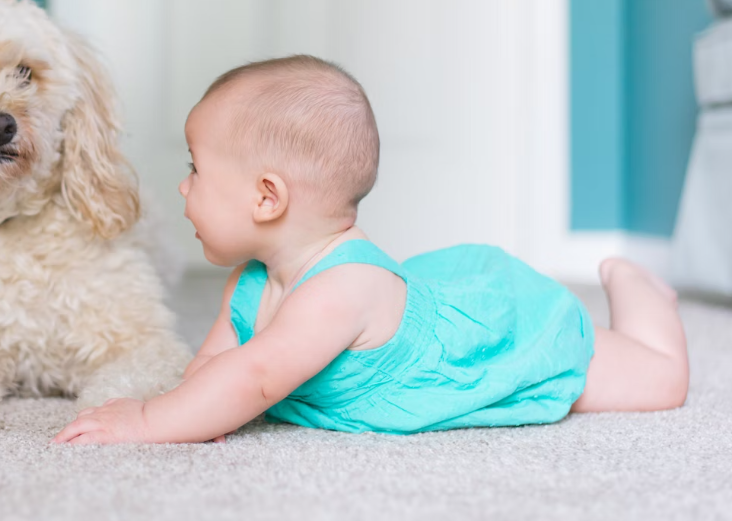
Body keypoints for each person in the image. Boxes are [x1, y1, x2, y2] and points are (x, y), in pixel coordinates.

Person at [53, 55, 690, 444]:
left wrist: (146, 423)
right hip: (419, 300)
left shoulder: (339, 291)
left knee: (660, 382)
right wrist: (188, 411)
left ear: (267, 198)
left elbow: (254, 377)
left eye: (197, 171)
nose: (183, 186)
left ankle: (636, 287)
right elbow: (216, 370)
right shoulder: (250, 282)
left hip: (494, 335)